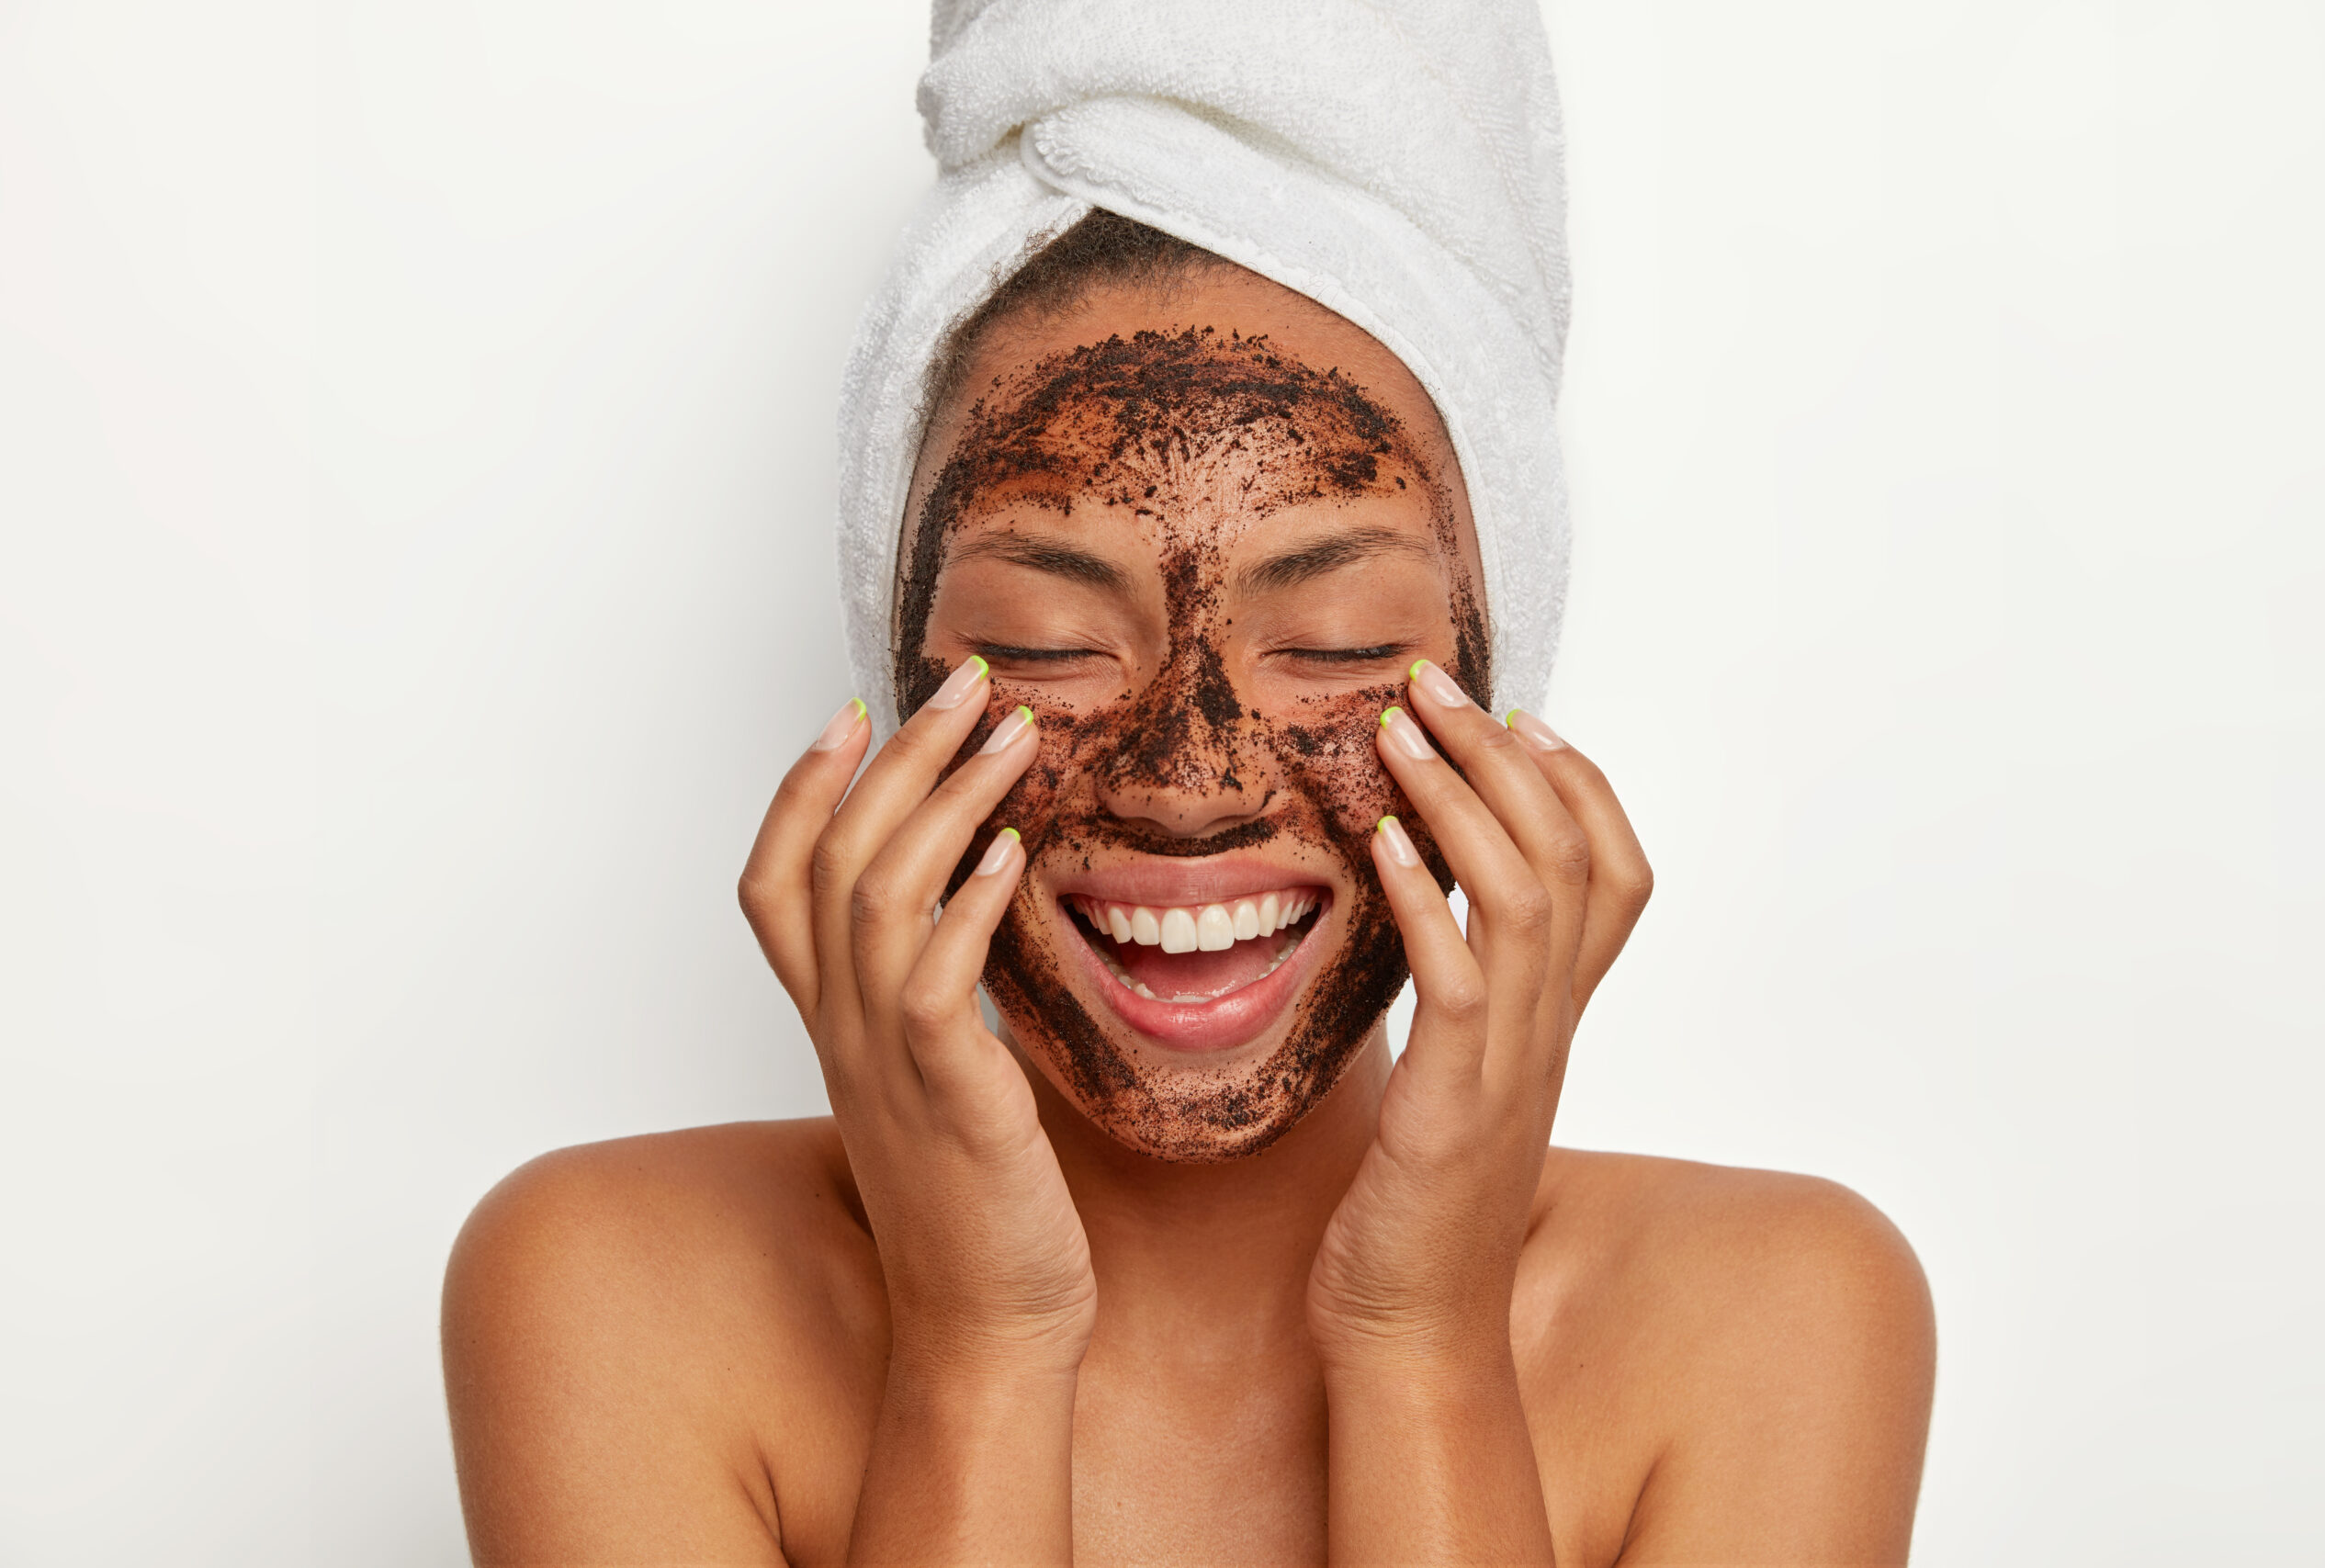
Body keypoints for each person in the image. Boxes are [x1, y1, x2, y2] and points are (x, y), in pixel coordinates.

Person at [443, 8, 1934, 1565]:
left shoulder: (1773, 1319)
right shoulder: (611, 1293)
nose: (1188, 778)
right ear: (896, 683)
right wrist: (981, 1351)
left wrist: (1422, 1343)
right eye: (1049, 639)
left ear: (1506, 686)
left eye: (1338, 637)